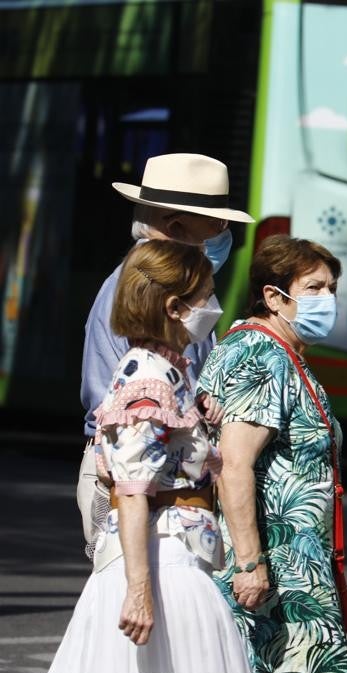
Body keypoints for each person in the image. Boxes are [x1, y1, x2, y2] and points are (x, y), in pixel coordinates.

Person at [41, 240, 259, 673]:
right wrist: (140, 591)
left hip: (176, 557)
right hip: (163, 564)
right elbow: (134, 489)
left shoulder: (164, 372)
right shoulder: (148, 379)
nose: (213, 307)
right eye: (206, 296)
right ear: (174, 307)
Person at [197, 236, 347, 673]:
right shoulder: (263, 357)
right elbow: (235, 463)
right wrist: (250, 563)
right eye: (314, 288)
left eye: (331, 288)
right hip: (275, 572)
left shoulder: (280, 354)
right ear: (273, 296)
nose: (327, 300)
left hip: (293, 566)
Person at [78, 153, 253, 549]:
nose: (223, 235)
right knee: (137, 596)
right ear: (175, 227)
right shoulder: (138, 292)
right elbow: (134, 409)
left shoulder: (182, 293)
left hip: (164, 471)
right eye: (215, 226)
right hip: (134, 472)